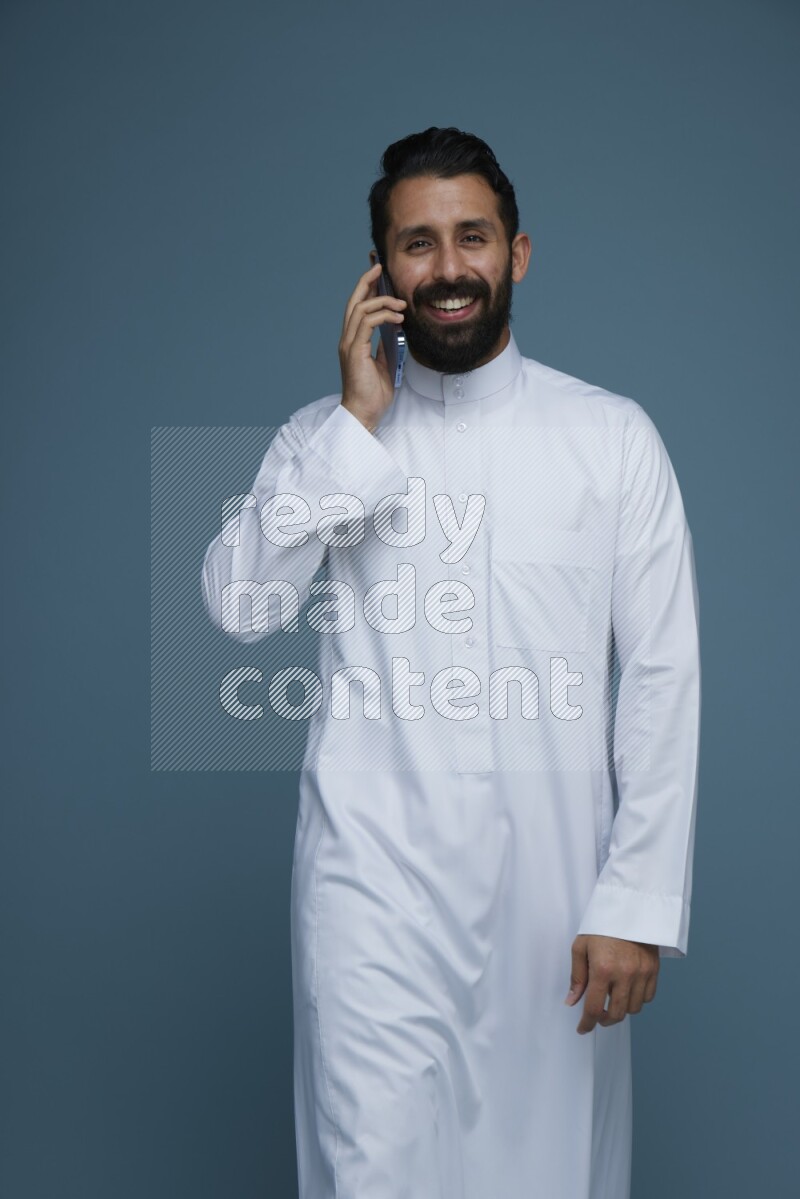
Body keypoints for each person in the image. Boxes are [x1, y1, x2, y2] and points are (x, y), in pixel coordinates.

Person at [201, 127, 701, 1199]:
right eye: (416, 243)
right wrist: (354, 426)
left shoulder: (611, 437)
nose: (447, 267)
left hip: (554, 898)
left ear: (516, 253)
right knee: (372, 1171)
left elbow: (661, 675)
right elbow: (239, 606)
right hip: (368, 892)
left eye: (470, 237)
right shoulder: (322, 438)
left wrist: (635, 899)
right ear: (380, 271)